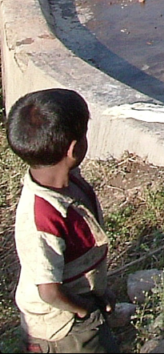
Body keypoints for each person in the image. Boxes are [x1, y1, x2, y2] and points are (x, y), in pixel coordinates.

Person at [9, 88, 120, 353]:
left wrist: (96, 293)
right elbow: (49, 292)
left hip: (79, 297)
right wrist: (84, 311)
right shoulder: (42, 217)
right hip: (64, 328)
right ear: (74, 148)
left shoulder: (66, 183)